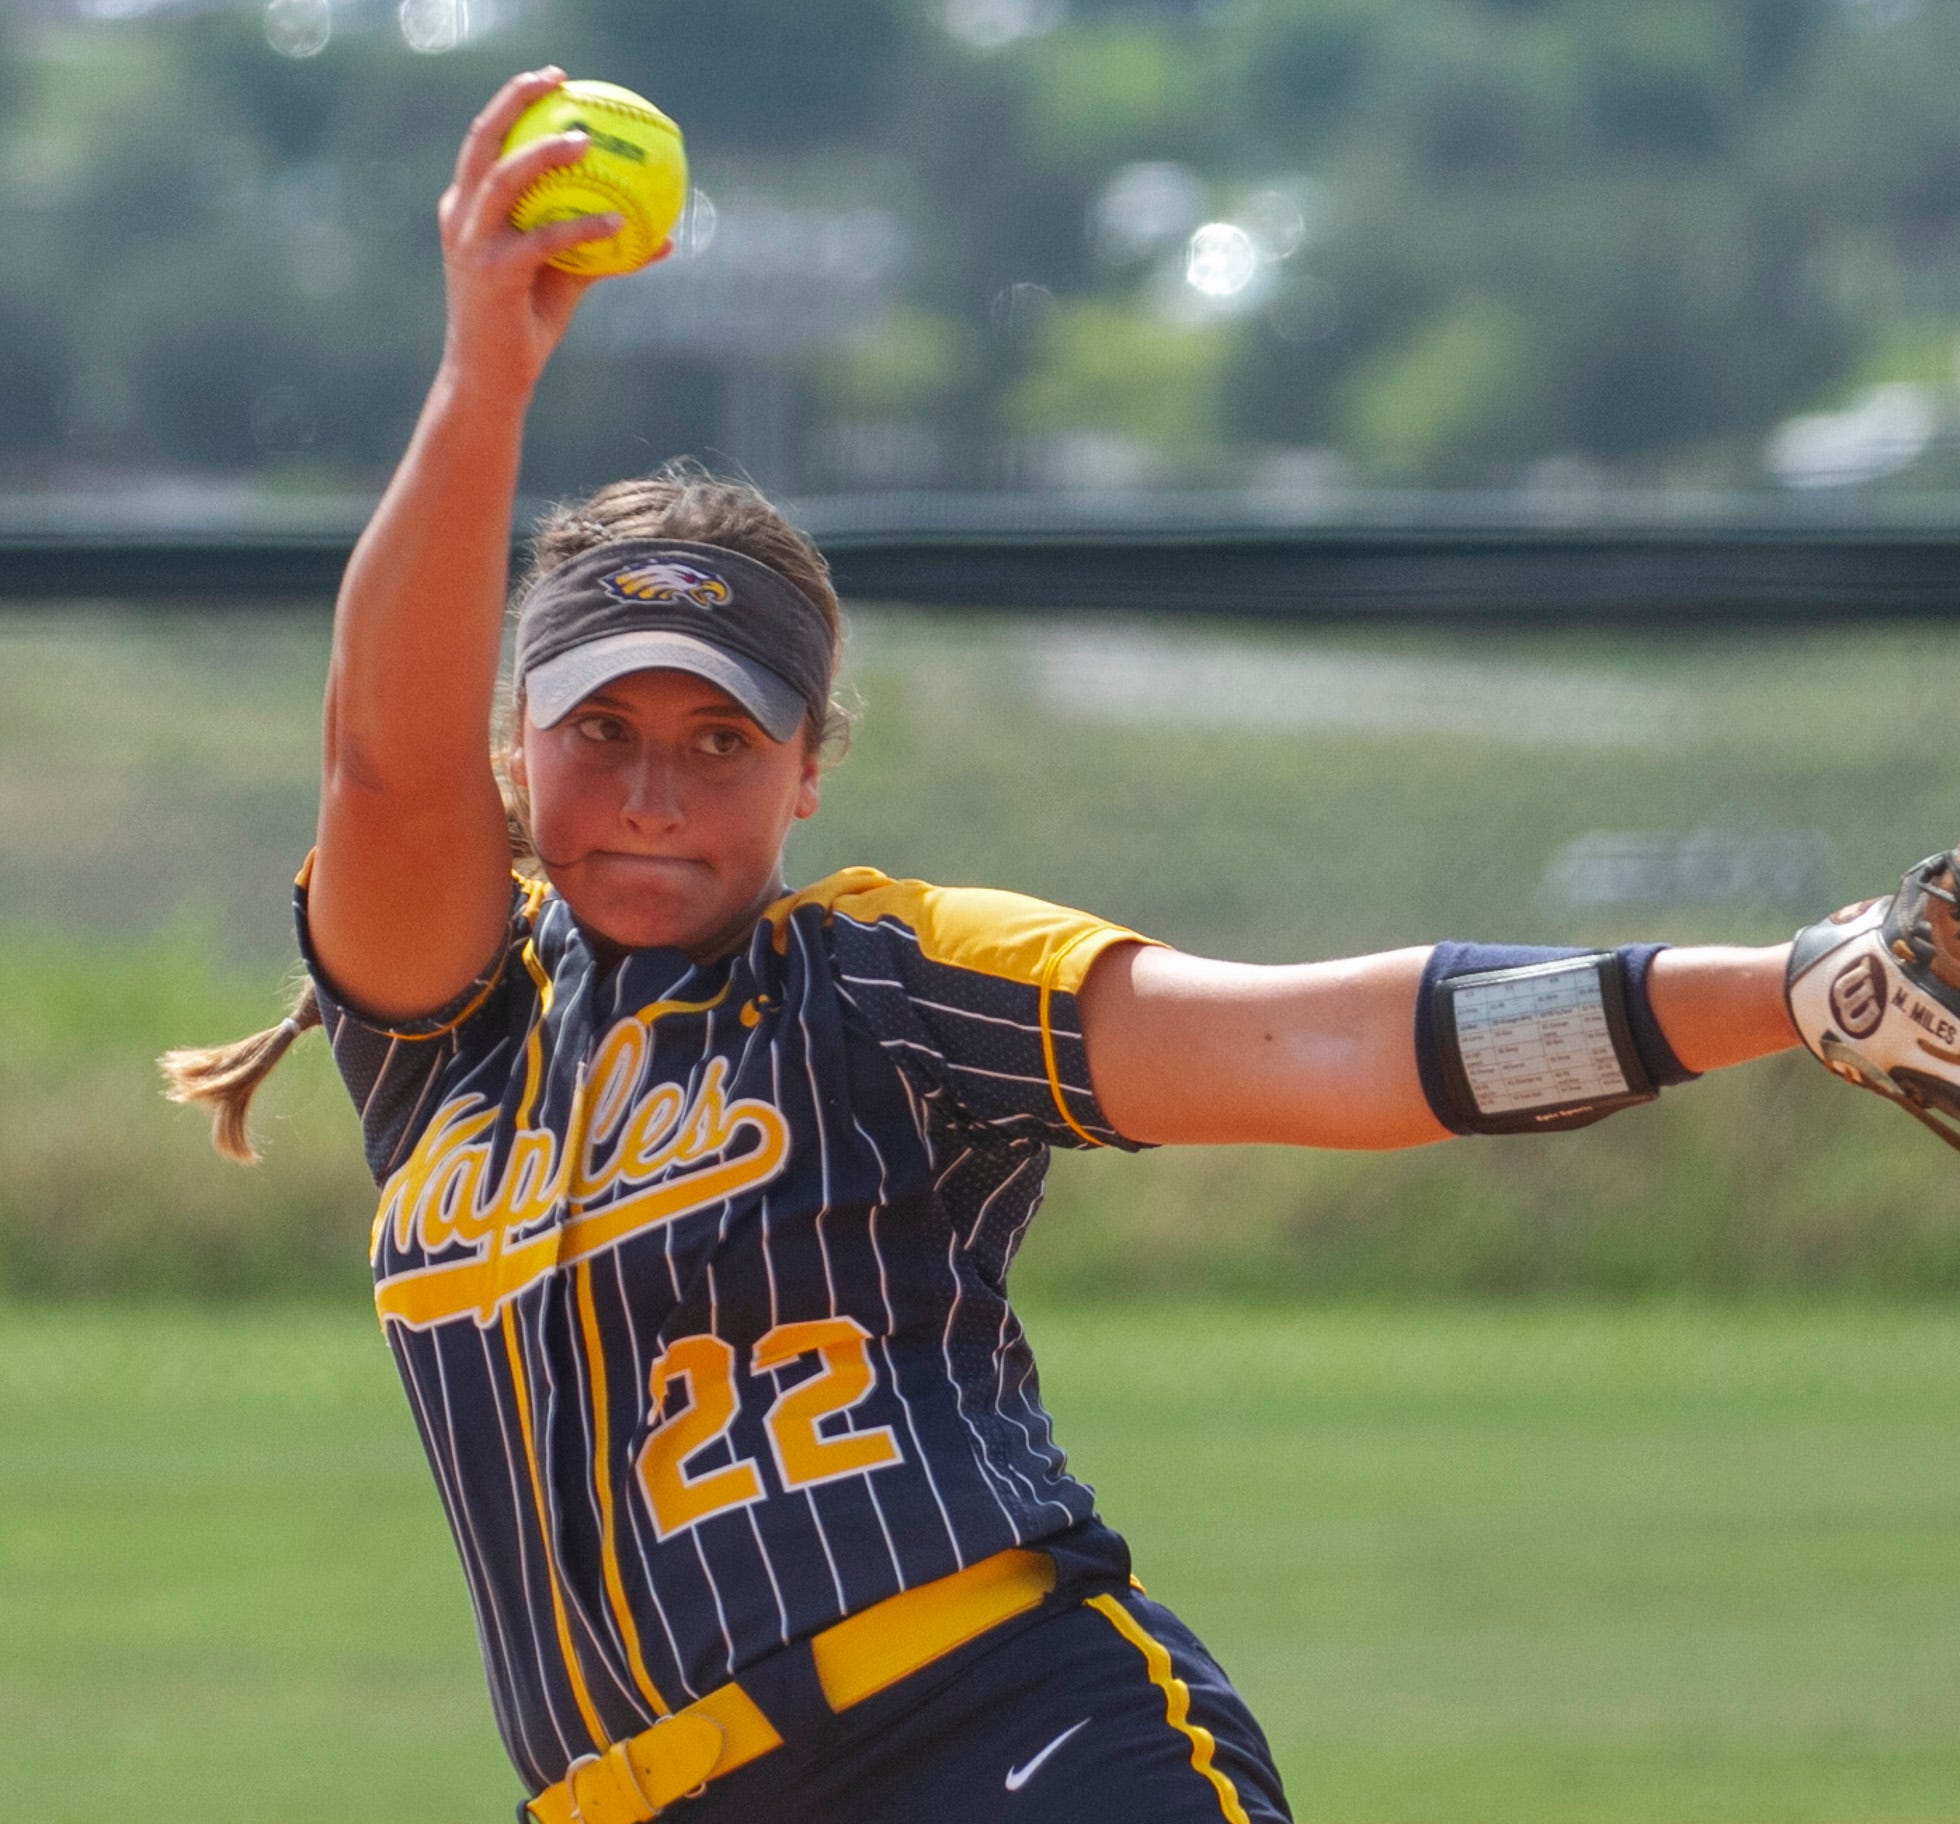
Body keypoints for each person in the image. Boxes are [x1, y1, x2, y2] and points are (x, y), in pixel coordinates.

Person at [163, 68, 1803, 1824]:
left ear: (806, 773)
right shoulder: (441, 1038)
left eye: (720, 739)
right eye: (601, 730)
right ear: (520, 748)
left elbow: (1326, 1044)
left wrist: (1792, 992)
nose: (653, 788)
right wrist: (485, 373)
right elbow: (377, 766)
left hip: (998, 1740)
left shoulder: (884, 982)